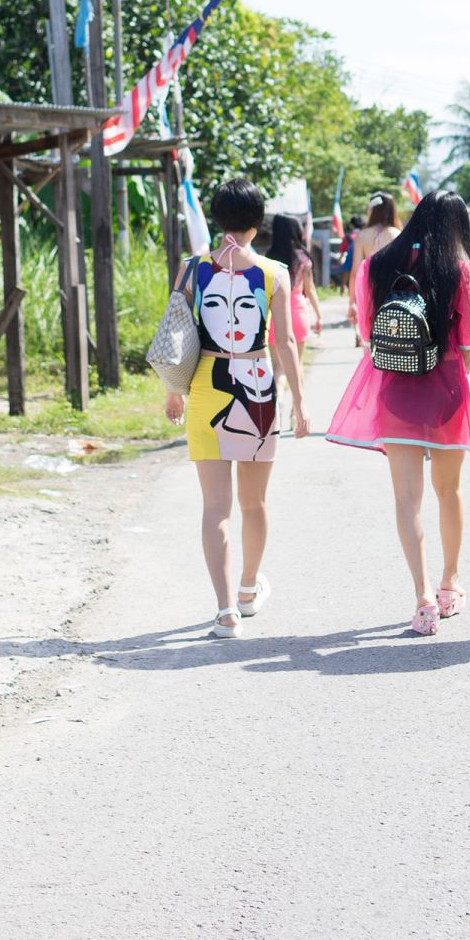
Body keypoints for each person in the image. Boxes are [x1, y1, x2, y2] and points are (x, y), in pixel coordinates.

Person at [328, 192, 470, 635]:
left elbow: (368, 335)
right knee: (449, 491)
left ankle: (421, 599)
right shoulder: (460, 270)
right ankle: (449, 584)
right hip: (445, 393)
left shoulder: (377, 265)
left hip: (396, 392)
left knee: (406, 498)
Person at [163, 179, 311, 638]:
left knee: (215, 508)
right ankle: (248, 589)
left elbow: (175, 331)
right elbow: (284, 341)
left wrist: (173, 390)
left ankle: (225, 610)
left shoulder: (192, 269)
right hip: (257, 389)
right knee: (254, 502)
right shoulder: (273, 272)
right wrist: (300, 403)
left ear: (217, 216)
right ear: (257, 221)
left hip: (206, 386)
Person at [267, 212, 322, 346]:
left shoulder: (268, 258)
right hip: (298, 312)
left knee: (278, 366)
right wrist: (319, 316)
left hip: (275, 315)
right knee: (297, 365)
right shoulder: (303, 259)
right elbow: (310, 289)